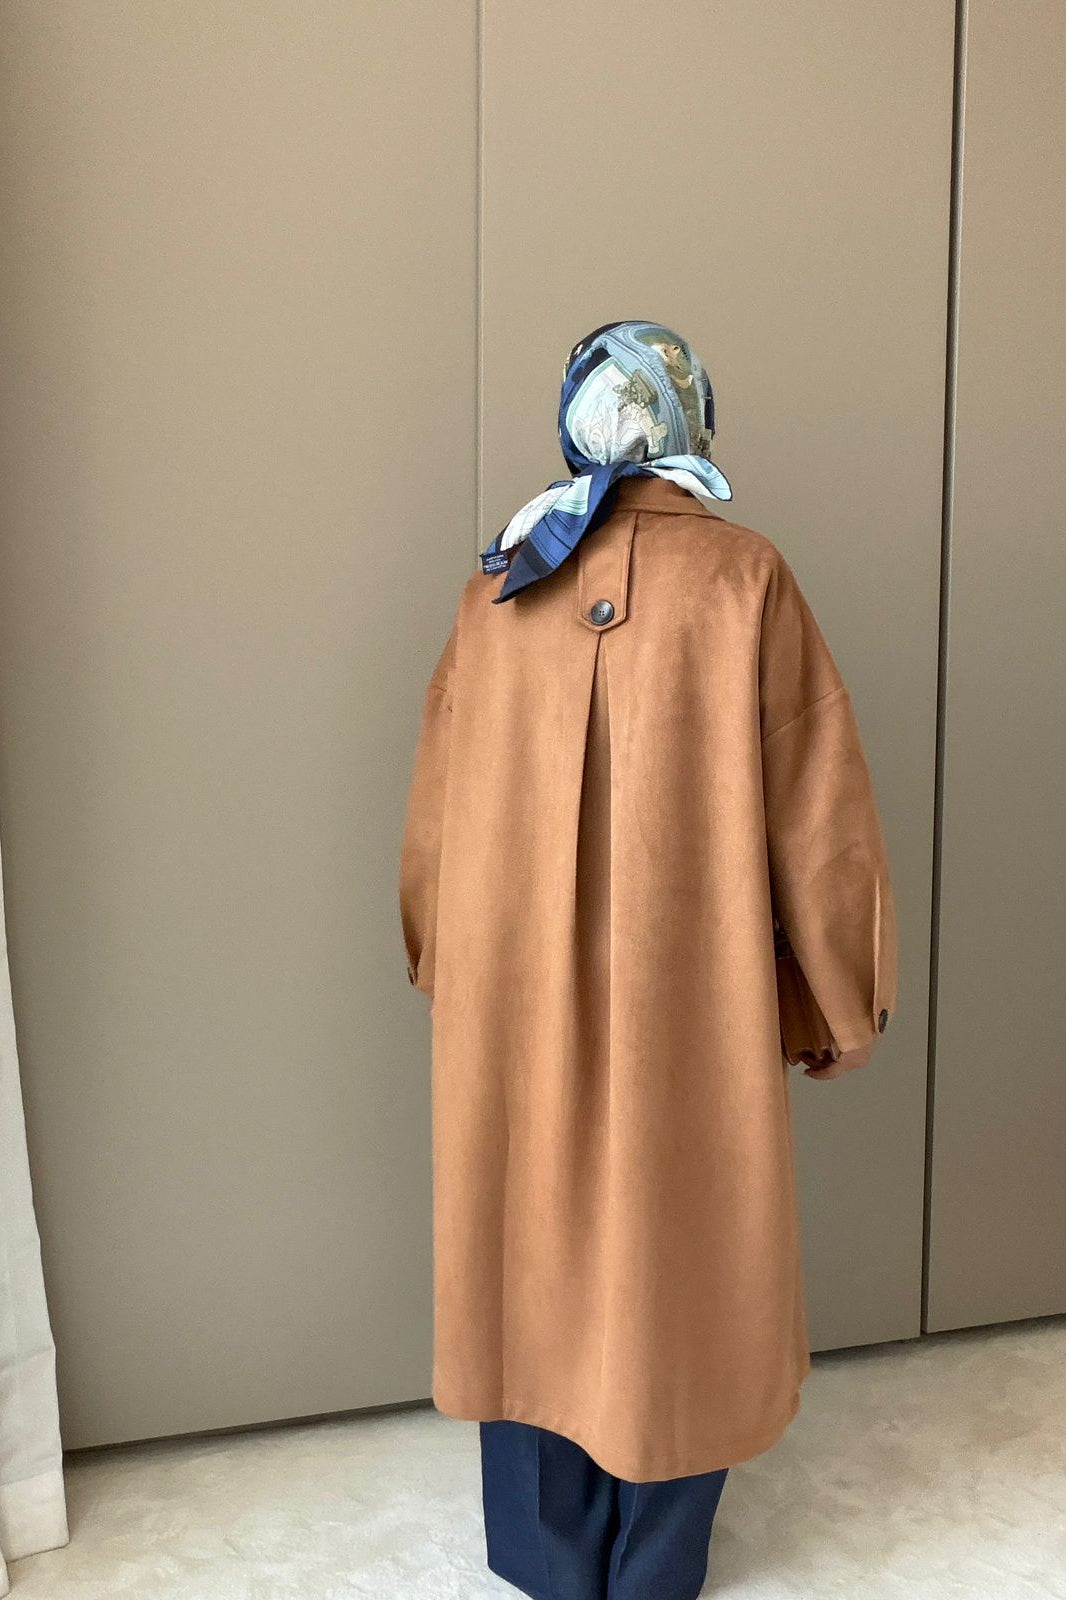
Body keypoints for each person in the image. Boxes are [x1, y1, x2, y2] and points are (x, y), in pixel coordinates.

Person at [399, 320, 898, 1600]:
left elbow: (437, 812)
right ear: (689, 423)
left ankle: (545, 1558)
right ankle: (655, 1565)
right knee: (682, 1248)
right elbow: (818, 807)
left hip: (508, 1003)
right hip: (694, 998)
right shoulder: (744, 579)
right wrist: (841, 1000)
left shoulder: (499, 587)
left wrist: (444, 959)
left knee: (523, 1250)